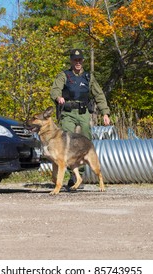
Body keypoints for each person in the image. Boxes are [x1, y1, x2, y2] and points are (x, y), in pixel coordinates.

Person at [50, 48, 111, 187]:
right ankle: (69, 175)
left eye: (80, 60)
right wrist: (58, 97)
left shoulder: (89, 77)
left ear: (83, 61)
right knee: (66, 140)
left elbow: (99, 95)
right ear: (71, 61)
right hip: (68, 113)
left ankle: (79, 175)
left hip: (83, 113)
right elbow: (55, 90)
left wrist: (105, 113)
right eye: (75, 60)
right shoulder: (64, 75)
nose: (77, 62)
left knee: (85, 141)